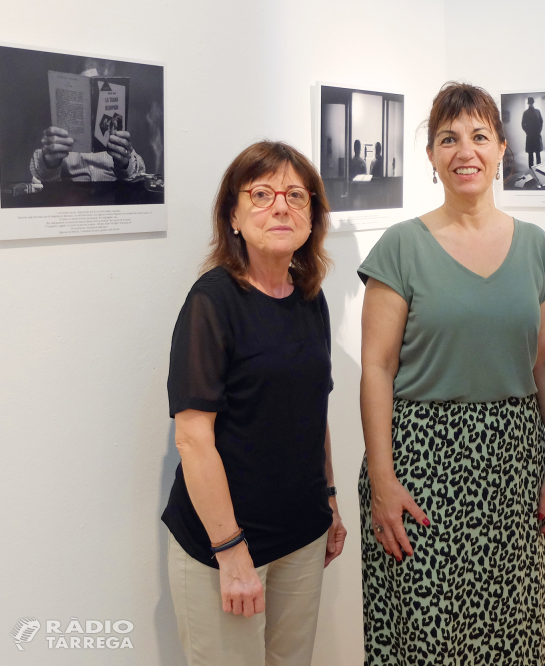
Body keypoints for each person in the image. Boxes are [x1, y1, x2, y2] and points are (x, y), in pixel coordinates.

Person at [357, 81, 545, 665]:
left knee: (514, 623)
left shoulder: (534, 247)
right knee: (426, 629)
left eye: (479, 136)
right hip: (420, 462)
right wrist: (382, 479)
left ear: (503, 148)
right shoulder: (402, 246)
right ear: (430, 156)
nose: (465, 151)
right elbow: (376, 368)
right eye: (448, 139)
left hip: (513, 462)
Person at [163, 141, 347, 666]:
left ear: (313, 214)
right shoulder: (211, 302)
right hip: (224, 546)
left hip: (301, 534)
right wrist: (231, 552)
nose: (281, 206)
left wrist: (329, 496)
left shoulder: (310, 295)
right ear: (234, 216)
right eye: (261, 194)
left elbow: (314, 407)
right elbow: (193, 439)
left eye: (295, 194)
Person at [522, 96, 543, 168]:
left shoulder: (537, 112)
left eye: (532, 103)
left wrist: (539, 131)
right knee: (530, 155)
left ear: (533, 103)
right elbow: (523, 124)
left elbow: (541, 122)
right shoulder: (526, 113)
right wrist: (528, 132)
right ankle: (531, 170)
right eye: (530, 103)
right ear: (528, 104)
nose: (531, 104)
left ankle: (539, 168)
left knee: (538, 154)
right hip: (530, 136)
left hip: (537, 135)